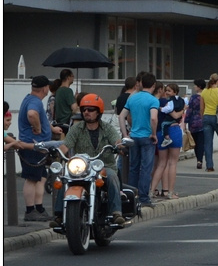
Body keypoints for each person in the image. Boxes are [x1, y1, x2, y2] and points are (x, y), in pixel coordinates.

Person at [50, 94, 125, 226]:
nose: (86, 112)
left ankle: (116, 213)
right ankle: (59, 215)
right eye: (84, 109)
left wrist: (120, 146)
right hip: (82, 168)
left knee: (113, 176)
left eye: (90, 109)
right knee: (65, 178)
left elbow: (116, 140)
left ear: (98, 112)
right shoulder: (76, 129)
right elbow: (66, 144)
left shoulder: (107, 128)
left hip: (103, 166)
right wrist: (57, 153)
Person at [17, 76, 62, 221]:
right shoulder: (34, 102)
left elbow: (40, 116)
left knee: (41, 178)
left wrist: (51, 128)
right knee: (31, 179)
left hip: (38, 146)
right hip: (33, 145)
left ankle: (39, 208)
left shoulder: (30, 99)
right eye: (47, 87)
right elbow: (32, 114)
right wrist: (37, 128)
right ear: (44, 88)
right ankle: (30, 211)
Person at [119, 71, 160, 207]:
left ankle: (131, 196)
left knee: (133, 167)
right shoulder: (153, 100)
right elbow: (153, 118)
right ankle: (144, 198)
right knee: (146, 168)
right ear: (153, 85)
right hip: (147, 137)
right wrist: (153, 134)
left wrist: (125, 134)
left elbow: (122, 116)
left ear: (141, 84)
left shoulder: (132, 98)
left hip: (134, 136)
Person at [152, 83, 185, 200]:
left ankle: (151, 191)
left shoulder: (158, 102)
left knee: (161, 163)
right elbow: (176, 115)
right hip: (174, 129)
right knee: (172, 163)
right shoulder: (177, 102)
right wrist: (182, 111)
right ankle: (170, 192)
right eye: (166, 90)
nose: (167, 93)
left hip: (161, 131)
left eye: (169, 91)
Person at [184, 79, 206, 170]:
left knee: (195, 142)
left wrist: (185, 121)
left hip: (193, 122)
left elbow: (189, 110)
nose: (194, 87)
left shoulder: (193, 98)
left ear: (199, 87)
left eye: (195, 85)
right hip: (203, 120)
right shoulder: (206, 96)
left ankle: (198, 159)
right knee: (201, 142)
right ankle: (200, 160)